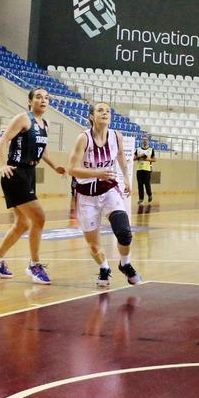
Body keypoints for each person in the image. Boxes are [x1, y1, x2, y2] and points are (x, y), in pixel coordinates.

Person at [0, 88, 67, 285]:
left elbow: (43, 149)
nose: (43, 100)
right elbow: (3, 141)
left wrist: (56, 166)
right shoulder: (23, 118)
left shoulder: (44, 124)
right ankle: (34, 264)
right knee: (39, 218)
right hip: (15, 173)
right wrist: (3, 164)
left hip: (29, 174)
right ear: (30, 102)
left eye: (47, 97)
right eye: (38, 97)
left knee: (22, 224)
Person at [68, 102, 141, 288]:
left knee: (124, 232)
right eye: (100, 110)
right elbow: (71, 169)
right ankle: (104, 267)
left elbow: (122, 158)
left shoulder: (116, 136)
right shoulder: (83, 138)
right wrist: (97, 173)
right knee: (93, 245)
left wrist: (126, 179)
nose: (105, 113)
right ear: (91, 116)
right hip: (86, 195)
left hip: (109, 190)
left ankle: (125, 264)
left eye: (108, 111)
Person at [134, 135, 155, 203]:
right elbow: (134, 158)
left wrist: (147, 159)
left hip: (147, 169)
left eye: (146, 139)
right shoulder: (138, 149)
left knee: (146, 183)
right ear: (141, 141)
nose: (145, 141)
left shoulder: (151, 149)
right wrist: (138, 157)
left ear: (148, 141)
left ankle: (150, 194)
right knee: (140, 184)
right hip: (139, 169)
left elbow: (154, 159)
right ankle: (141, 199)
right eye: (143, 139)